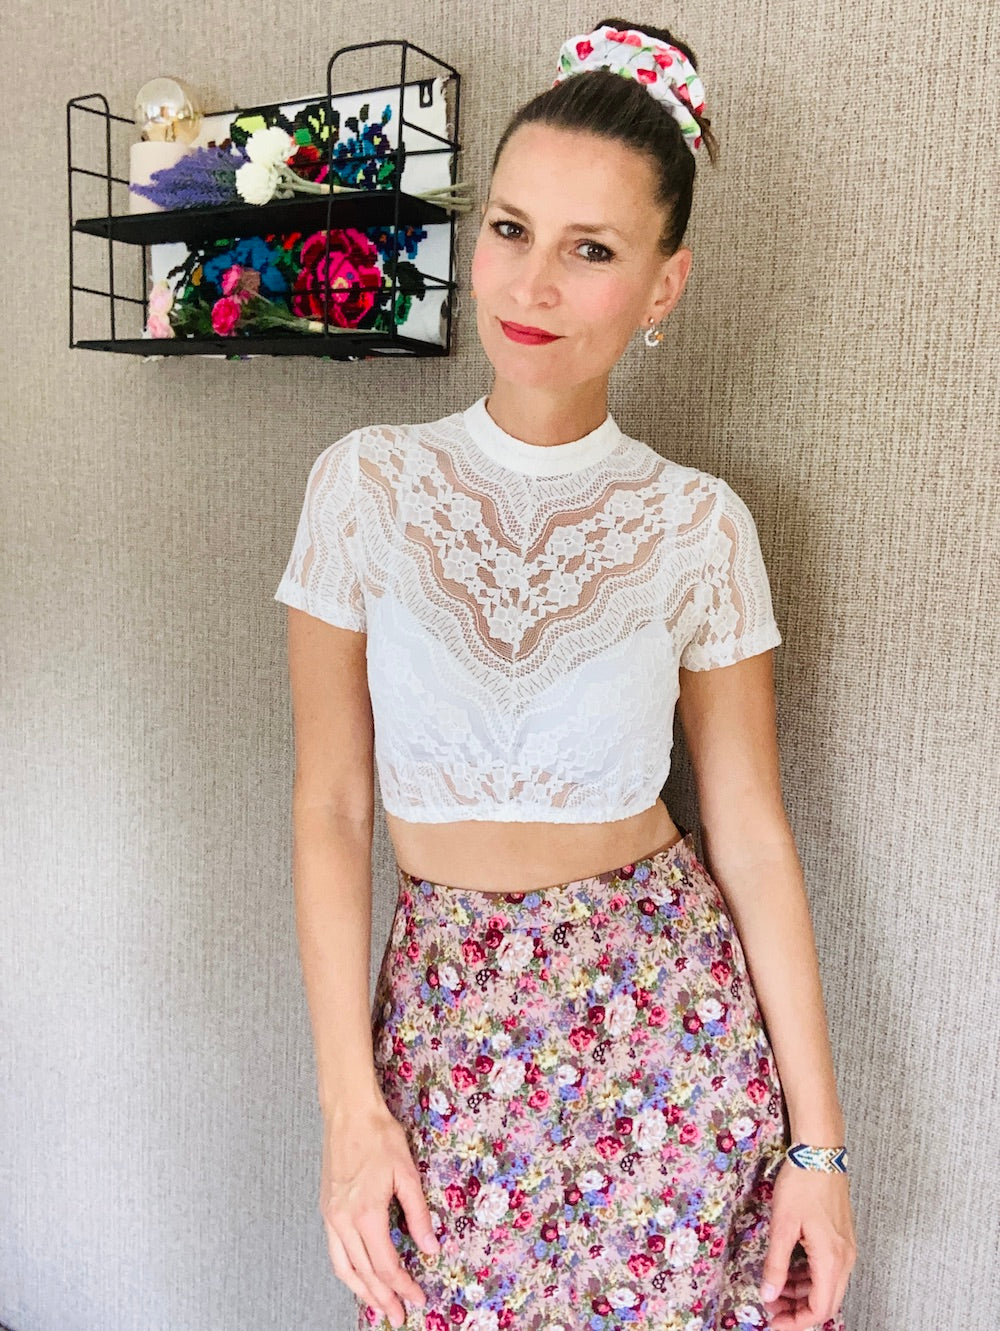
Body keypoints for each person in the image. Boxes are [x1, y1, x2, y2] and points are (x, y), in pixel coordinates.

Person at [273, 16, 857, 1331]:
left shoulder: (699, 525)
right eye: (511, 229)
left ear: (663, 287)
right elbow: (332, 806)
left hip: (668, 1032)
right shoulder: (366, 486)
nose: (530, 284)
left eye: (591, 249)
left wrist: (820, 1153)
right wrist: (348, 1106)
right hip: (443, 1028)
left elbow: (751, 832)